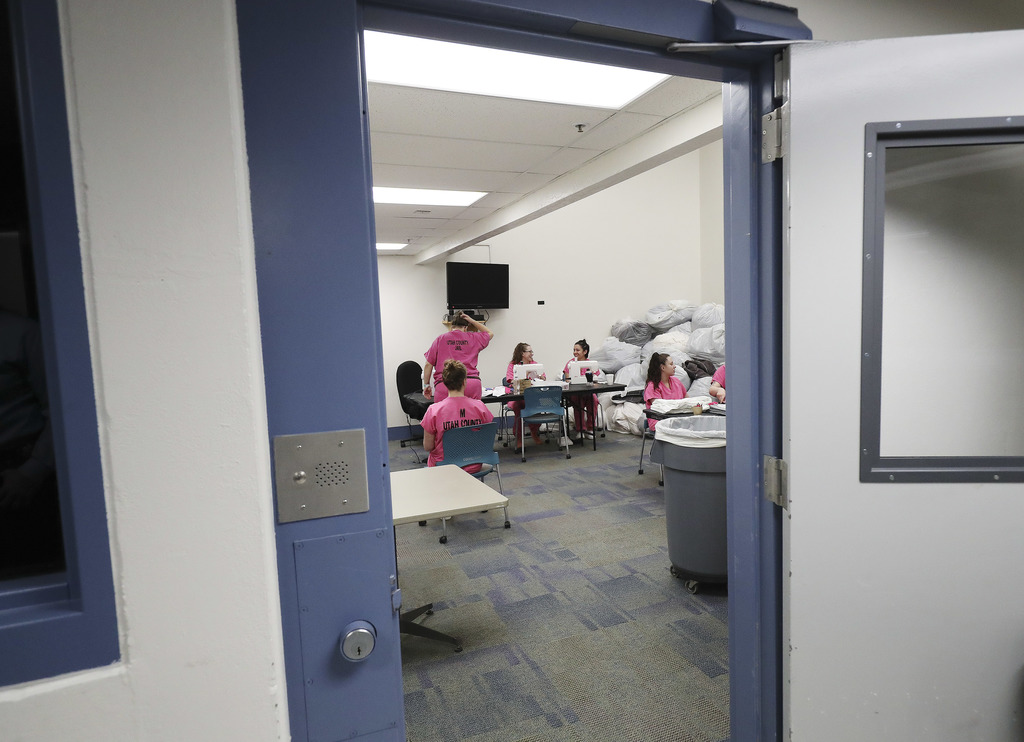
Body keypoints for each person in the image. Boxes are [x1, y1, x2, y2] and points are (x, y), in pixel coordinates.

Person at [0, 310, 64, 578]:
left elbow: (62, 406)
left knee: (31, 575)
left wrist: (33, 471)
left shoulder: (21, 332)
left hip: (18, 477)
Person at [420, 359, 494, 472]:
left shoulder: (433, 411)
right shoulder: (480, 407)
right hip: (474, 465)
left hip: (444, 467)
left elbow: (428, 446)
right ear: (465, 381)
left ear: (444, 382)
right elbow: (487, 438)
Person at [423, 311, 493, 403]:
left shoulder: (441, 339)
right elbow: (490, 333)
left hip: (446, 385)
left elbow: (428, 364)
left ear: (452, 327)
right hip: (470, 383)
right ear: (465, 328)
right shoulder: (473, 337)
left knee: (445, 416)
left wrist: (426, 385)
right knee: (473, 415)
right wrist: (472, 321)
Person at [505, 342, 546, 451]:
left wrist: (541, 378)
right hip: (517, 395)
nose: (532, 353)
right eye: (530, 351)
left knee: (536, 405)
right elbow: (510, 379)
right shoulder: (513, 365)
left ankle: (534, 432)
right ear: (522, 353)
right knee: (518, 406)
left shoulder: (535, 364)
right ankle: (519, 438)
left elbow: (543, 378)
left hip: (531, 396)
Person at [561, 338, 599, 438]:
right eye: (574, 350)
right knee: (577, 401)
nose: (575, 352)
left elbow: (596, 377)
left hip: (588, 392)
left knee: (594, 400)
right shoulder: (570, 363)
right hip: (576, 392)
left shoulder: (590, 364)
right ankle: (581, 429)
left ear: (585, 351)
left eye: (577, 350)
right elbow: (567, 379)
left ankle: (590, 428)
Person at [643, 353, 687, 431]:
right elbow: (660, 407)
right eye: (671, 364)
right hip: (660, 421)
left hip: (677, 419)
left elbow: (687, 399)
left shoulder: (676, 381)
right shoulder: (652, 386)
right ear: (662, 367)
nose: (674, 366)